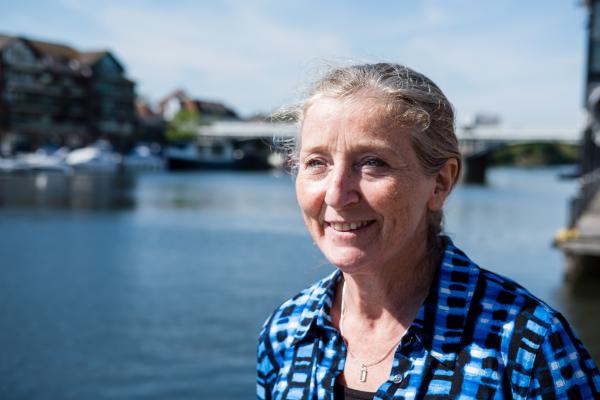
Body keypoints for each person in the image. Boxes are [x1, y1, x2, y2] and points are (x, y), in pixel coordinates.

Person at [257, 63, 600, 399]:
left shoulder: (529, 348)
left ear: (440, 183)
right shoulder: (286, 332)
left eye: (373, 162)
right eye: (317, 163)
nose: (336, 194)